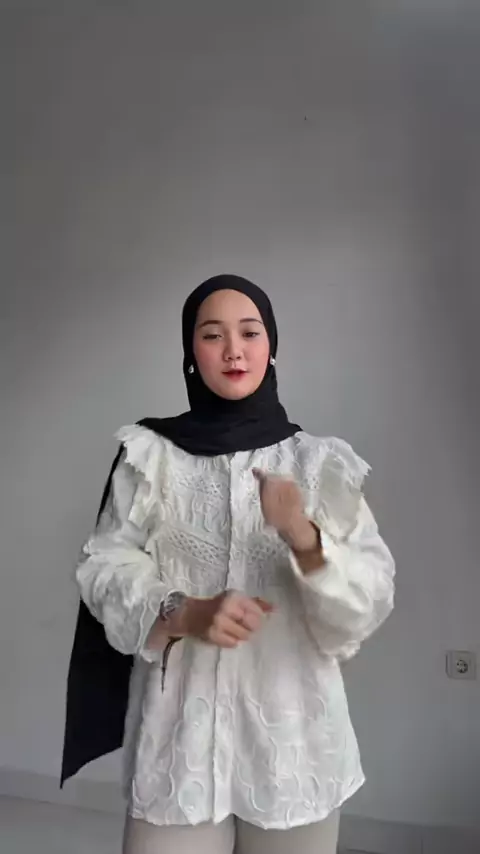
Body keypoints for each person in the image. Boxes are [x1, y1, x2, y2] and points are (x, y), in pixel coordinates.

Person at [63, 275, 395, 854]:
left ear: (273, 348)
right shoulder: (150, 456)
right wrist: (181, 611)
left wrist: (303, 536)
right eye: (213, 335)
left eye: (250, 333)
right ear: (191, 353)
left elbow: (366, 604)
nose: (233, 351)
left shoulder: (319, 464)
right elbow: (103, 568)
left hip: (296, 752)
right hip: (179, 749)